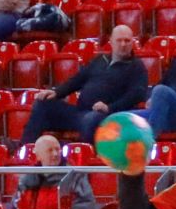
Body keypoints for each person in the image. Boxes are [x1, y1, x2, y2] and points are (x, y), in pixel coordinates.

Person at [20, 26, 148, 145]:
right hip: (79, 112)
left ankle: (83, 156)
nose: (123, 44)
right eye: (119, 40)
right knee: (42, 104)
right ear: (111, 41)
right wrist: (57, 92)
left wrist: (109, 108)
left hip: (106, 115)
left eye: (127, 41)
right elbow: (78, 79)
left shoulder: (137, 66)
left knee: (91, 119)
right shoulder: (100, 60)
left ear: (132, 42)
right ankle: (27, 149)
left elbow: (137, 95)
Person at [13, 134, 97, 209]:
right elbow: (15, 208)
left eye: (57, 149)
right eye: (50, 150)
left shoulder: (75, 177)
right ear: (38, 156)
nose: (55, 154)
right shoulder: (27, 179)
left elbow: (86, 205)